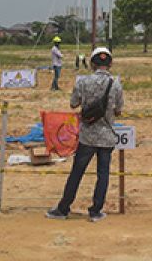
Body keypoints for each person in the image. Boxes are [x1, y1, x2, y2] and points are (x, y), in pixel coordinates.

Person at [47, 46, 124, 223]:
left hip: (87, 136)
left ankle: (63, 208)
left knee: (77, 172)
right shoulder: (116, 84)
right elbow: (119, 109)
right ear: (110, 64)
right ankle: (96, 211)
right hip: (107, 136)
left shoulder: (83, 82)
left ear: (92, 63)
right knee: (103, 174)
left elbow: (73, 104)